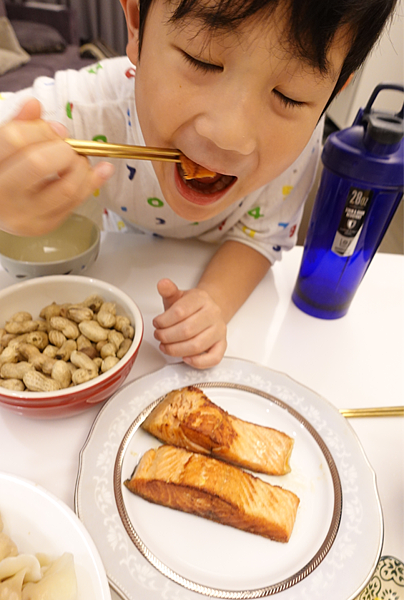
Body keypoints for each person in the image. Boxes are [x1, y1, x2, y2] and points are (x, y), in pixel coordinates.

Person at [0, 0, 399, 368]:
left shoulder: (298, 149)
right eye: (201, 59)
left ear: (331, 93)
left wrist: (214, 301)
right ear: (137, 24)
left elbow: (261, 236)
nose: (230, 135)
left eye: (290, 96)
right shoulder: (86, 108)